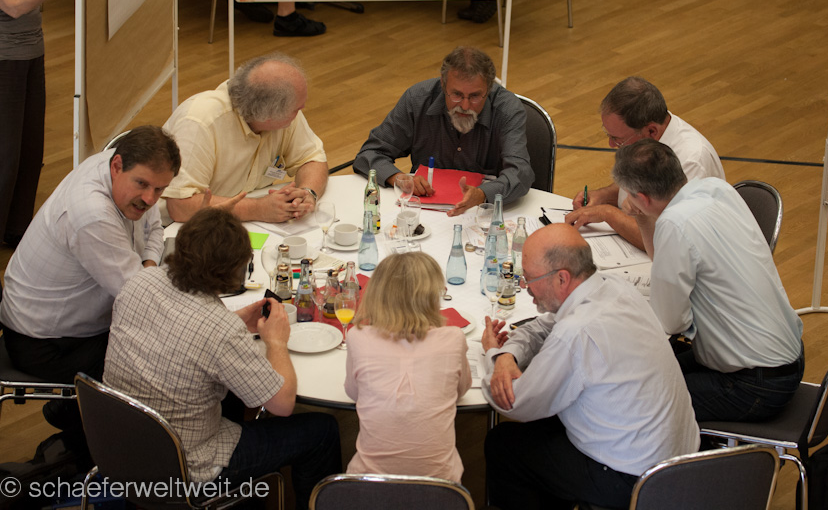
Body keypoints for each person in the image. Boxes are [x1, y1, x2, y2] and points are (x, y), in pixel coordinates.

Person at [104, 207, 341, 507]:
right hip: (184, 469)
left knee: (234, 396)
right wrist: (276, 342)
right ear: (233, 271)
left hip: (119, 444)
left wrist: (233, 320)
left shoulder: (141, 281)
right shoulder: (219, 330)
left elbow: (183, 331)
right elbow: (282, 405)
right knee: (322, 432)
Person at [481, 224, 699, 510]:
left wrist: (492, 355)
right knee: (549, 424)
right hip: (679, 460)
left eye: (530, 278)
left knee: (503, 445)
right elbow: (541, 327)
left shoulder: (575, 333)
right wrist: (507, 356)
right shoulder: (613, 287)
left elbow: (514, 402)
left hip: (632, 478)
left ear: (561, 278)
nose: (525, 286)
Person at [0, 125, 180, 430]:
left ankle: (76, 416)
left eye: (160, 189)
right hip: (47, 344)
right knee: (168, 363)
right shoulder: (92, 214)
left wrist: (148, 266)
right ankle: (89, 432)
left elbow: (154, 228)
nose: (150, 198)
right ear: (117, 166)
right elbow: (141, 299)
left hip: (74, 323)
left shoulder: (123, 170)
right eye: (143, 184)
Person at [612, 139, 804, 422]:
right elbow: (663, 258)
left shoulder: (674, 223)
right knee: (642, 371)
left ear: (642, 197)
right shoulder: (718, 189)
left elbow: (671, 323)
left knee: (626, 398)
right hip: (783, 360)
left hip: (753, 386)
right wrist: (641, 217)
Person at [353, 46, 534, 216]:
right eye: (456, 95)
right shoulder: (417, 100)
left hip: (483, 215)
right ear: (443, 84)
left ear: (489, 88)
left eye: (475, 96)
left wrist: (483, 194)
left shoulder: (508, 110)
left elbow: (520, 174)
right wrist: (399, 178)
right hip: (422, 212)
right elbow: (370, 153)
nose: (465, 106)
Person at [344, 252, 471, 482]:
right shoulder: (454, 337)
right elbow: (461, 390)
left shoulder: (357, 337)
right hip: (442, 489)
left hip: (367, 487)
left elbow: (354, 393)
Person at [162, 52, 328, 223]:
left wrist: (308, 193)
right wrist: (257, 209)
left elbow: (312, 158)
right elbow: (180, 206)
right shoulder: (200, 123)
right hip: (183, 227)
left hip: (242, 224)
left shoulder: (281, 111)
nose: (302, 109)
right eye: (296, 109)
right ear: (268, 116)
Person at [565, 76, 724, 250]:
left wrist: (607, 213)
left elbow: (666, 241)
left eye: (618, 139)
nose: (611, 144)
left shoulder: (690, 161)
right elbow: (641, 187)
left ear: (651, 131)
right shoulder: (652, 139)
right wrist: (604, 196)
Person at [0, 0, 76, 247]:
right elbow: (14, 6)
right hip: (6, 61)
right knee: (6, 154)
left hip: (33, 52)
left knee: (31, 148)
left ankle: (17, 227)